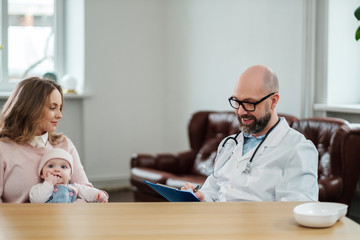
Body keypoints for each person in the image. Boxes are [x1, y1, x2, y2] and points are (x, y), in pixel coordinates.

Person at [182, 65, 319, 202]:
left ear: (273, 101)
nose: (241, 112)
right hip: (218, 221)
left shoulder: (298, 149)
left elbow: (296, 209)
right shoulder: (229, 144)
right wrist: (201, 196)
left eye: (249, 103)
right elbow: (212, 190)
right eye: (237, 101)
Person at [0, 77, 92, 203]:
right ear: (31, 108)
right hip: (19, 222)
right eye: (53, 108)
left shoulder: (64, 144)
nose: (60, 115)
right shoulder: (3, 148)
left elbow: (86, 191)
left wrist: (67, 211)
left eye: (60, 108)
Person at [30, 148, 108, 203]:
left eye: (63, 167)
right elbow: (37, 200)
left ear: (70, 175)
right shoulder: (39, 189)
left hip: (69, 218)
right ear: (42, 174)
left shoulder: (74, 187)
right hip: (48, 219)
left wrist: (98, 194)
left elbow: (87, 191)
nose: (57, 170)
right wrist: (49, 183)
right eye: (51, 166)